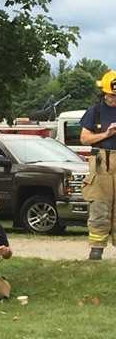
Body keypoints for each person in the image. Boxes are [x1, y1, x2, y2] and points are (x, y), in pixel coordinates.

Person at [81, 70, 116, 260]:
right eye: (111, 95)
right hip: (101, 164)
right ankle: (96, 250)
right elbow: (84, 139)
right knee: (99, 208)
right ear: (103, 92)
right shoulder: (95, 111)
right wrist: (107, 134)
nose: (114, 99)